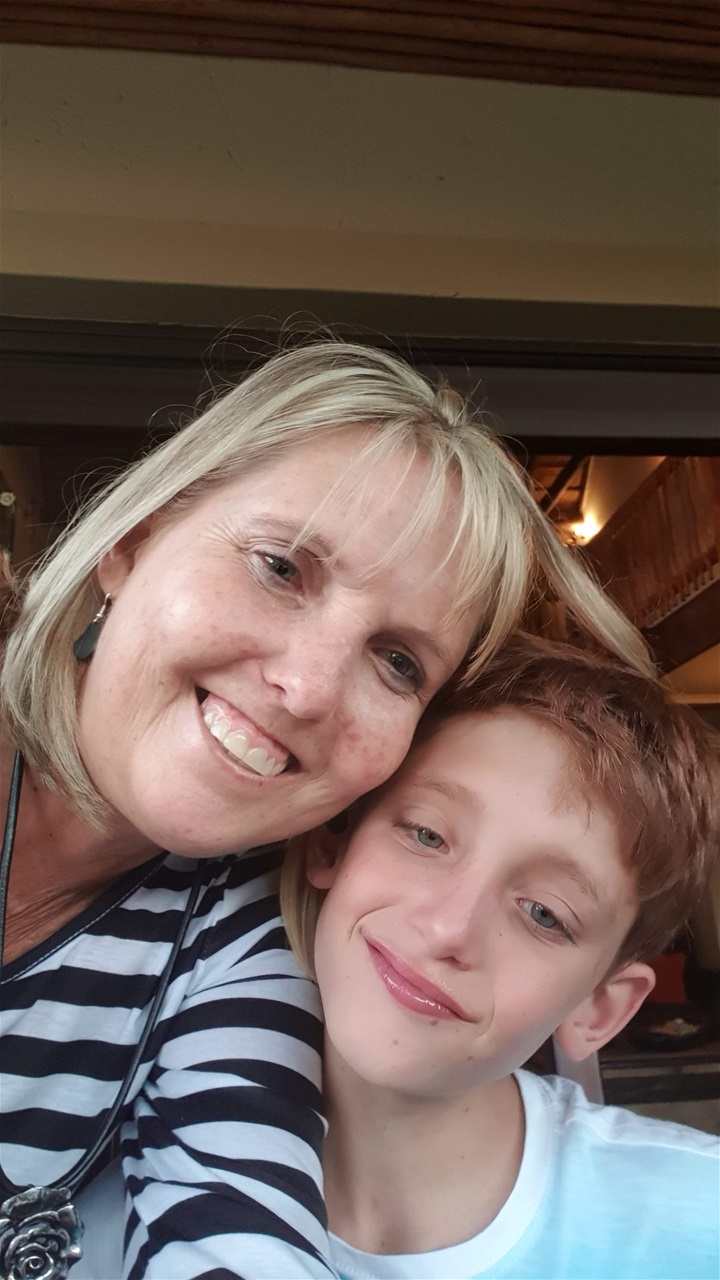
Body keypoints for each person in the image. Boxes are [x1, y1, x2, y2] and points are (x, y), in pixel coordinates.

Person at [0, 341, 652, 1280]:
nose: (306, 688)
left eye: (398, 662)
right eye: (280, 567)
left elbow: (236, 1217)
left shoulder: (239, 939)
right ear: (134, 541)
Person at [282, 635, 720, 1280]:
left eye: (544, 913)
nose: (448, 927)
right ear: (331, 844)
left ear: (599, 1008)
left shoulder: (699, 1222)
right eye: (426, 834)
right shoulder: (134, 1175)